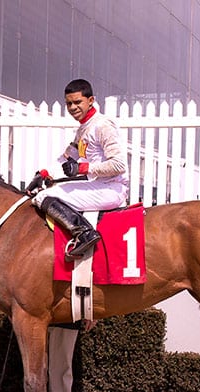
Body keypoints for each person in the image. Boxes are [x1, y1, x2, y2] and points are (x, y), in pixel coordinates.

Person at [30, 78, 129, 260]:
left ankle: (84, 233)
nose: (73, 107)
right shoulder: (83, 129)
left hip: (111, 188)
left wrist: (83, 168)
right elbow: (67, 157)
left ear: (91, 100)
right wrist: (43, 173)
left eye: (77, 102)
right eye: (69, 103)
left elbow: (119, 165)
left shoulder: (103, 125)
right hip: (99, 186)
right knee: (48, 190)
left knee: (44, 196)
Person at [13, 324, 87, 392]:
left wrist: (91, 314)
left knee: (62, 364)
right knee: (33, 366)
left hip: (68, 316)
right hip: (34, 313)